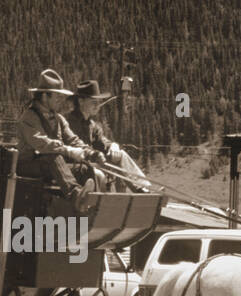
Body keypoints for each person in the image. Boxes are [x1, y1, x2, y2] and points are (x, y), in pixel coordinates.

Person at [15, 68, 101, 206]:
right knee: (52, 156)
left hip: (50, 166)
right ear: (44, 96)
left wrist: (89, 152)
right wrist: (69, 151)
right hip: (28, 165)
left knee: (85, 168)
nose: (61, 100)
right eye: (57, 96)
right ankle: (76, 195)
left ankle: (95, 204)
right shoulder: (29, 117)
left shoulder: (59, 118)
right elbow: (43, 145)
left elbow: (73, 139)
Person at [66, 79, 146, 189]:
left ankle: (143, 189)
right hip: (76, 167)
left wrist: (113, 145)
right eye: (94, 102)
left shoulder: (92, 125)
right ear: (81, 101)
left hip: (91, 162)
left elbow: (103, 142)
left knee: (120, 154)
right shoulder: (68, 122)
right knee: (98, 174)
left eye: (99, 102)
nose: (97, 106)